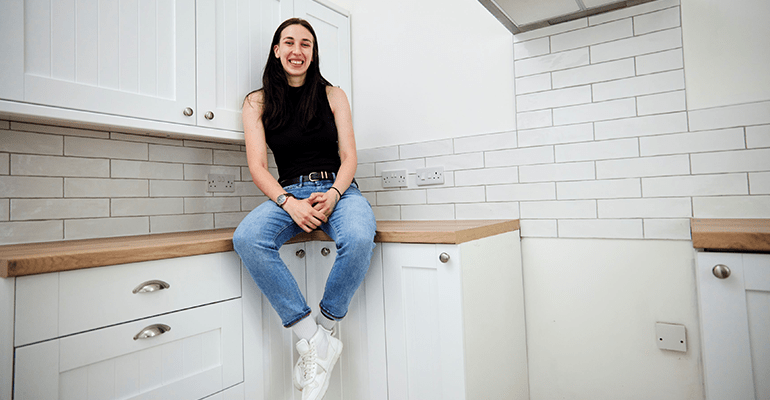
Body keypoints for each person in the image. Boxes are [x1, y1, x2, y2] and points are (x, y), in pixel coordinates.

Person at [232, 18, 376, 400]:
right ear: (277, 50)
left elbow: (349, 156)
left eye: (306, 44)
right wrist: (288, 203)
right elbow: (258, 168)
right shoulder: (256, 102)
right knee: (247, 237)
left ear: (313, 53)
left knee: (361, 236)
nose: (298, 51)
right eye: (289, 43)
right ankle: (309, 337)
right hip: (289, 193)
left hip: (339, 188)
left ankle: (326, 329)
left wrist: (334, 194)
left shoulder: (333, 95)